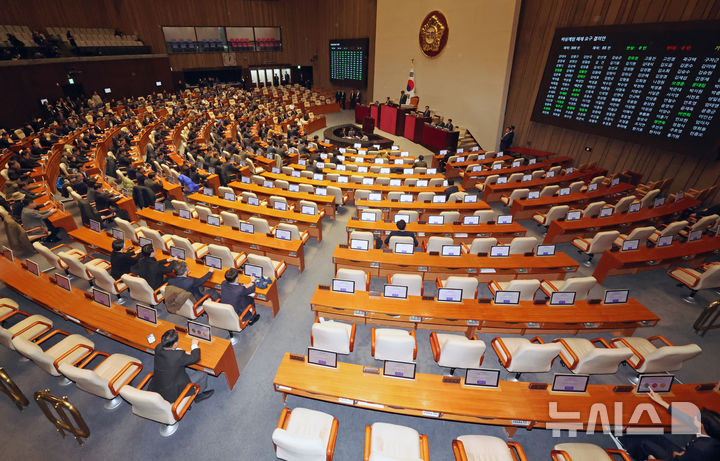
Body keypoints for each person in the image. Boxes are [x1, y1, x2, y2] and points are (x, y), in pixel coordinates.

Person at [620, 389, 720, 460]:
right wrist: (662, 402)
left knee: (644, 443)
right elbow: (687, 419)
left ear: (702, 426)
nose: (693, 418)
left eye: (696, 418)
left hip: (679, 458)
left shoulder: (700, 448)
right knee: (657, 436)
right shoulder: (713, 431)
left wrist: (679, 455)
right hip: (688, 454)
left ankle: (625, 444)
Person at [149, 329, 213, 403]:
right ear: (175, 344)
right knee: (203, 374)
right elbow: (196, 358)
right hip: (173, 392)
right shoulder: (178, 356)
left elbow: (173, 353)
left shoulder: (158, 347)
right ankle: (197, 395)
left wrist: (180, 352)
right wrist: (194, 345)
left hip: (158, 386)